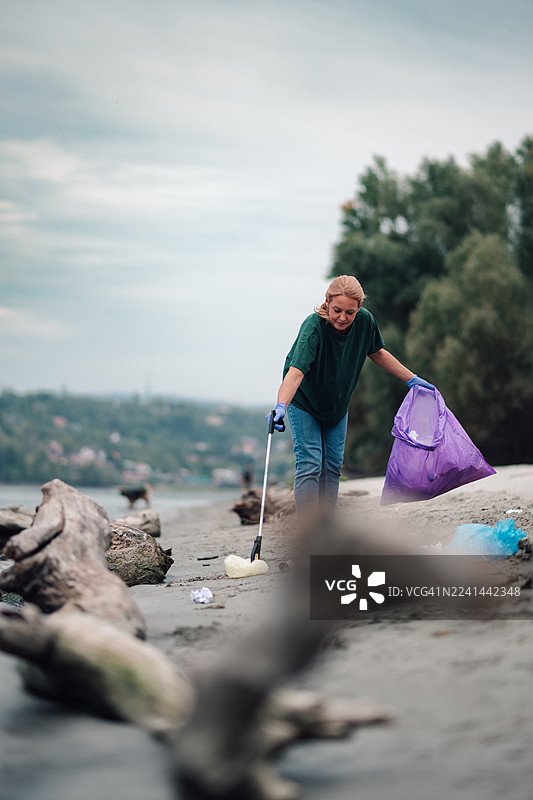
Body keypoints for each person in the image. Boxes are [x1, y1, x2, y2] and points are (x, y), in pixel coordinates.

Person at [268, 275, 433, 514]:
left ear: (359, 308)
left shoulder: (365, 322)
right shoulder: (313, 327)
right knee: (311, 464)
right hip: (305, 401)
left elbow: (377, 353)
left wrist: (411, 379)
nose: (343, 318)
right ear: (327, 302)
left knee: (332, 466)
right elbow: (296, 373)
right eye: (337, 310)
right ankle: (307, 528)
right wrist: (281, 405)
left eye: (350, 312)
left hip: (336, 404)